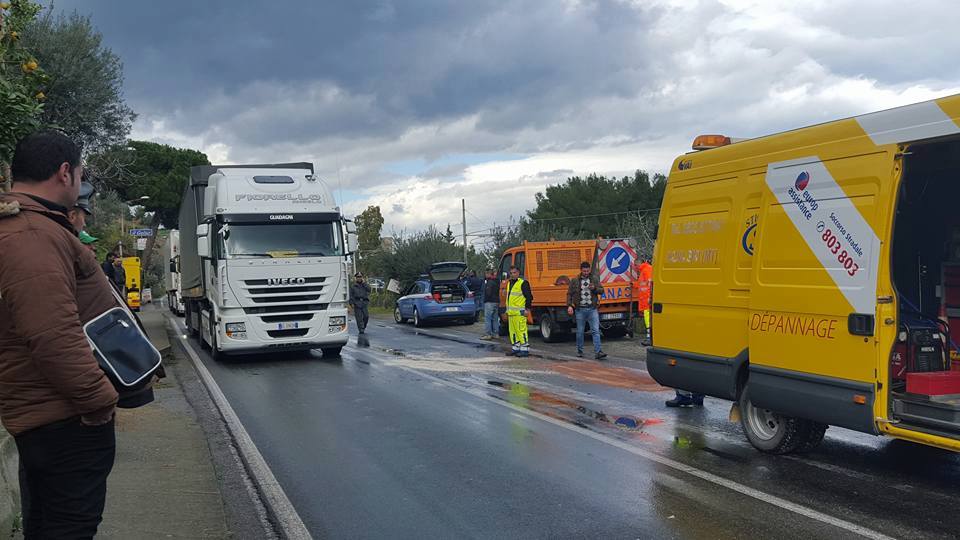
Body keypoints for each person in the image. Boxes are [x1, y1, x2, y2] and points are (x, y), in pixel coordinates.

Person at [0, 131, 120, 538]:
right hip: (64, 419)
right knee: (68, 528)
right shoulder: (31, 235)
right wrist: (98, 399)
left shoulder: (32, 228)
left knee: (50, 525)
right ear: (65, 172)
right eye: (81, 174)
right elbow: (51, 332)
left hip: (50, 415)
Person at [567, 261, 607, 360]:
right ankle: (580, 350)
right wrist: (569, 306)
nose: (586, 272)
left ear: (589, 270)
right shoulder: (575, 280)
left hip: (592, 308)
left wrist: (594, 289)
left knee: (595, 330)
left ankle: (598, 351)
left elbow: (602, 290)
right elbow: (569, 293)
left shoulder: (594, 279)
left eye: (587, 271)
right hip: (580, 309)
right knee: (580, 331)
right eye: (584, 271)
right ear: (581, 270)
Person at [504, 265, 532, 357]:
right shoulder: (509, 283)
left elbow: (529, 297)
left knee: (521, 331)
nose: (512, 275)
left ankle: (525, 350)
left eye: (514, 273)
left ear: (518, 273)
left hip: (520, 313)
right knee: (513, 332)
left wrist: (527, 309)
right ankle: (515, 348)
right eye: (511, 273)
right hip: (511, 313)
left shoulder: (523, 283)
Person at [635, 259, 653, 346]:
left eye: (636, 265)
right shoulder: (643, 271)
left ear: (639, 263)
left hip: (647, 300)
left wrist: (650, 297)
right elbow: (641, 284)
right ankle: (649, 338)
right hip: (645, 300)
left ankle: (649, 338)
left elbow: (650, 284)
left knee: (648, 320)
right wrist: (633, 284)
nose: (635, 267)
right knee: (647, 320)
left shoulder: (646, 270)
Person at [480, 268, 500, 339]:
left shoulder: (489, 282)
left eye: (486, 273)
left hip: (489, 302)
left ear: (489, 274)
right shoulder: (497, 281)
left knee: (488, 318)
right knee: (495, 318)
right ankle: (496, 333)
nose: (485, 275)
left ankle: (488, 334)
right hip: (496, 301)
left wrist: (486, 299)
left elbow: (488, 292)